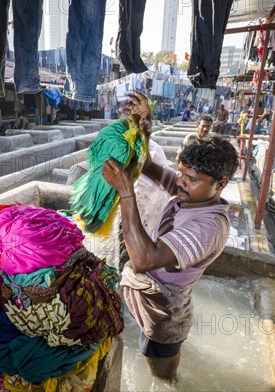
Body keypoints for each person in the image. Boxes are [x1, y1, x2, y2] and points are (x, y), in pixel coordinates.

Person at [101, 92, 238, 382]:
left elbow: (142, 259)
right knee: (147, 345)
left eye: (192, 178)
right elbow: (149, 166)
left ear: (221, 184)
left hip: (166, 311)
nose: (181, 182)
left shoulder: (208, 226)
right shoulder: (190, 194)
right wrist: (143, 123)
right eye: (182, 173)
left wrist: (126, 192)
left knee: (160, 370)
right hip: (152, 296)